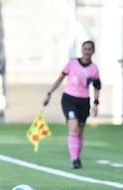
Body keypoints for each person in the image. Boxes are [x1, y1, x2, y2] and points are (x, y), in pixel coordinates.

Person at [43, 40, 101, 169]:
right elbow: (60, 78)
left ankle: (77, 156)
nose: (87, 51)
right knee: (73, 126)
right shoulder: (72, 63)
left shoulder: (94, 69)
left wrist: (96, 104)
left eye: (89, 49)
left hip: (84, 101)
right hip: (69, 99)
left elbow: (97, 87)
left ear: (93, 51)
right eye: (85, 48)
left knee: (79, 131)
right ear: (81, 50)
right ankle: (74, 159)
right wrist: (49, 93)